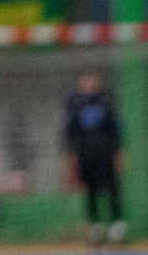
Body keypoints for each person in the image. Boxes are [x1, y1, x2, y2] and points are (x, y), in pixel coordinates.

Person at [65, 70, 126, 244]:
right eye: (85, 79)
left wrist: (119, 154)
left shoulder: (106, 101)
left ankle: (118, 228)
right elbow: (71, 135)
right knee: (90, 192)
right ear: (80, 82)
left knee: (113, 189)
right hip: (86, 156)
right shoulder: (74, 105)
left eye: (92, 79)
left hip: (106, 154)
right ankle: (95, 230)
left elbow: (116, 131)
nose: (89, 83)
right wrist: (71, 160)